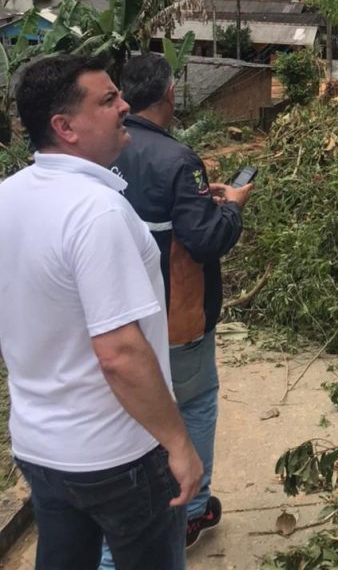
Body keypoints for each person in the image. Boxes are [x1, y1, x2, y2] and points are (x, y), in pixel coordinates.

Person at [0, 55, 202, 570]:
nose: (124, 106)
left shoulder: (10, 196)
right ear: (64, 127)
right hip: (118, 456)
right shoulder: (97, 212)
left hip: (40, 447)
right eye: (107, 100)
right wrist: (177, 442)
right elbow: (119, 353)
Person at [100, 53, 253, 562]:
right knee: (197, 402)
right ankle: (191, 510)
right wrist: (232, 205)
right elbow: (205, 241)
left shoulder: (101, 152)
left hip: (111, 319)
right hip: (173, 320)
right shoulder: (176, 158)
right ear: (169, 94)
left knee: (129, 420)